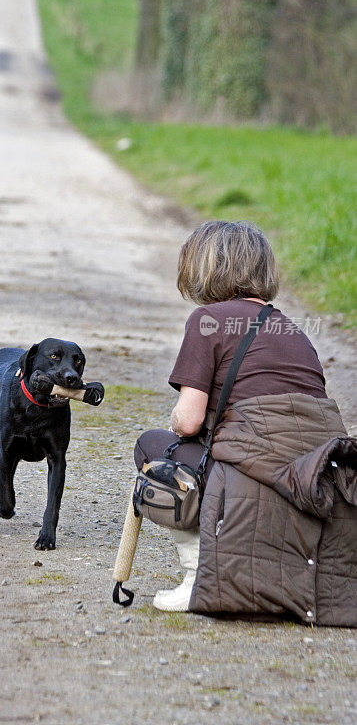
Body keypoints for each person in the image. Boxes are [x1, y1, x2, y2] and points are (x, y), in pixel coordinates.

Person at [134, 220, 357, 626]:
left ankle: (198, 573)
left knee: (152, 447)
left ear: (204, 269)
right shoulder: (295, 330)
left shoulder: (208, 321)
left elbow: (188, 421)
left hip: (256, 475)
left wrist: (184, 420)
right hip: (313, 478)